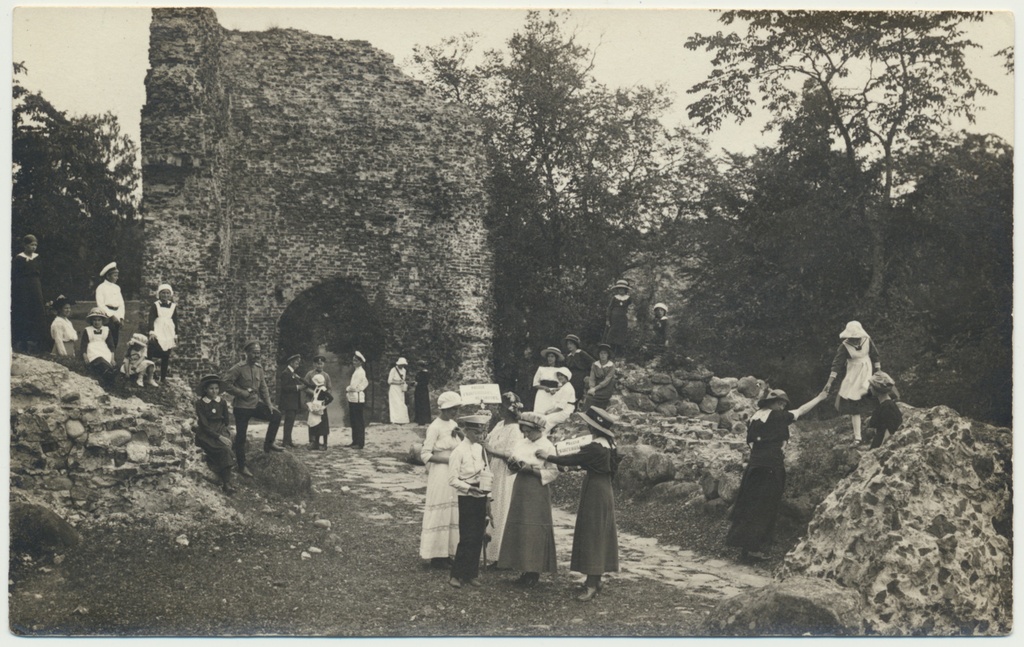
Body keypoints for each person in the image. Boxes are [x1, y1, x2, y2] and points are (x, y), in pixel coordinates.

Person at [726, 388, 828, 561]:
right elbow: (801, 411)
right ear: (774, 403)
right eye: (781, 403)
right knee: (764, 506)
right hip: (770, 468)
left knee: (749, 504)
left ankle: (745, 547)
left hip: (754, 466)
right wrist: (819, 397)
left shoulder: (755, 417)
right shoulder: (778, 417)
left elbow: (751, 443)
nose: (782, 407)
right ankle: (754, 550)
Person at [537, 406, 622, 601]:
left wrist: (548, 456)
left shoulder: (595, 447)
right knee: (600, 532)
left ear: (594, 428)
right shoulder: (610, 443)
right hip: (604, 488)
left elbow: (573, 459)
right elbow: (591, 464)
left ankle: (591, 584)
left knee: (592, 532)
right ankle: (596, 578)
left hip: (595, 489)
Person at [498, 412, 559, 587]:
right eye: (523, 431)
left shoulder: (547, 446)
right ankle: (522, 567)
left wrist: (531, 470)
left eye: (528, 431)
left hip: (536, 488)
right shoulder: (522, 443)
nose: (526, 435)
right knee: (520, 525)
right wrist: (513, 465)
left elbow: (553, 472)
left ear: (538, 429)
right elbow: (513, 461)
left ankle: (534, 571)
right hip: (521, 486)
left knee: (534, 527)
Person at [222, 340, 284, 478]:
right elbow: (225, 384)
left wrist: (269, 404)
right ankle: (242, 466)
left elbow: (263, 387)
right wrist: (242, 393)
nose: (257, 355)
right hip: (242, 407)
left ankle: (269, 444)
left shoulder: (259, 368)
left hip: (255, 404)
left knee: (276, 415)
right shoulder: (238, 368)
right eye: (254, 353)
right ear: (247, 353)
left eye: (258, 353)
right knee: (241, 438)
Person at [448, 413, 494, 589]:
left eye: (481, 432)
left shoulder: (479, 449)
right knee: (467, 536)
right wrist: (468, 488)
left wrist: (488, 498)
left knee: (478, 536)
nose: (479, 436)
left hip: (481, 494)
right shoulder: (458, 452)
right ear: (466, 431)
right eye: (475, 433)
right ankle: (456, 574)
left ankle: (471, 573)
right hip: (467, 496)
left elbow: (487, 473)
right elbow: (452, 479)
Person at [419, 391, 464, 568]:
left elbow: (460, 447)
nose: (455, 413)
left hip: (453, 470)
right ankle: (436, 555)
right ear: (444, 409)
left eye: (457, 409)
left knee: (452, 509)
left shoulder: (454, 424)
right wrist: (449, 460)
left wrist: (460, 436)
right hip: (440, 471)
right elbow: (425, 454)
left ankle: (447, 552)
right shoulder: (434, 427)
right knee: (440, 507)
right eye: (452, 409)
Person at [480, 392, 525, 565]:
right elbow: (488, 440)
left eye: (501, 407)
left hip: (506, 471)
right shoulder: (499, 424)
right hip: (494, 469)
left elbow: (513, 455)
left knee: (503, 505)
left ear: (510, 410)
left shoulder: (515, 429)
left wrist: (492, 450)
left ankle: (503, 554)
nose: (499, 409)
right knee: (493, 505)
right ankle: (492, 551)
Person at [823, 321, 882, 445]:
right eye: (852, 338)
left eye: (857, 337)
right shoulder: (844, 346)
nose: (855, 340)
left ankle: (879, 430)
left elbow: (875, 356)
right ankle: (858, 437)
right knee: (854, 404)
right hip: (853, 374)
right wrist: (829, 382)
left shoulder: (867, 340)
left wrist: (878, 372)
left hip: (867, 371)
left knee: (873, 397)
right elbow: (837, 365)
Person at [194, 374, 235, 495]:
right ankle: (226, 484)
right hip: (206, 433)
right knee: (223, 449)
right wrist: (219, 437)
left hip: (220, 429)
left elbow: (226, 420)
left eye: (216, 388)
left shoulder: (222, 402)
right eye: (211, 388)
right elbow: (204, 425)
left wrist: (224, 433)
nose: (214, 391)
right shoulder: (200, 403)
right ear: (205, 389)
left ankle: (225, 476)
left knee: (229, 445)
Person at [12, 234, 48, 353]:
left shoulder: (37, 258)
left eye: (35, 245)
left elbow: (41, 273)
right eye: (31, 245)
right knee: (25, 312)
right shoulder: (19, 259)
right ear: (25, 245)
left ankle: (38, 343)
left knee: (37, 311)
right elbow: (15, 276)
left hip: (35, 286)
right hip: (24, 288)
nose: (34, 247)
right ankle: (23, 342)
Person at [146, 284, 179, 382]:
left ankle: (163, 378)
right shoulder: (155, 305)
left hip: (169, 331)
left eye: (167, 293)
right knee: (152, 348)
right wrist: (151, 332)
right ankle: (149, 375)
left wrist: (176, 334)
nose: (165, 295)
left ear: (170, 295)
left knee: (166, 355)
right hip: (158, 329)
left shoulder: (173, 306)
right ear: (159, 294)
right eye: (163, 293)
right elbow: (151, 319)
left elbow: (175, 321)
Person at [78, 307, 117, 381]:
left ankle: (109, 373)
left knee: (106, 359)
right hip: (92, 350)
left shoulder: (106, 330)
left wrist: (112, 359)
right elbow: (83, 345)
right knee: (99, 359)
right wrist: (85, 357)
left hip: (103, 349)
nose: (97, 322)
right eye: (94, 320)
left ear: (102, 321)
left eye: (99, 320)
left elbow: (111, 346)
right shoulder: (88, 330)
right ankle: (108, 373)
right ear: (91, 321)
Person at [866, 372, 902, 450]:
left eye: (871, 386)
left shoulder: (887, 408)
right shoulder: (883, 405)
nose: (870, 388)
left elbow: (888, 435)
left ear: (877, 388)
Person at [94, 262, 125, 350]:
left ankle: (112, 357)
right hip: (107, 317)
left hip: (117, 316)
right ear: (108, 276)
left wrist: (121, 317)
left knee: (115, 339)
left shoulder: (117, 288)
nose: (117, 278)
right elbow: (101, 305)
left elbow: (121, 304)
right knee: (107, 338)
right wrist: (112, 316)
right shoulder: (101, 288)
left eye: (117, 275)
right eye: (115, 275)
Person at [304, 354, 333, 447]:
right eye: (317, 364)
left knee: (322, 421)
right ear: (314, 364)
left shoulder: (326, 375)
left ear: (323, 364)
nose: (319, 366)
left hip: (321, 402)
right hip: (311, 400)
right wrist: (313, 393)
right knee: (312, 419)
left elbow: (329, 388)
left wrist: (324, 396)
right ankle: (312, 440)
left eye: (321, 364)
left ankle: (322, 441)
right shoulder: (309, 374)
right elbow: (305, 387)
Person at [278, 353, 306, 448]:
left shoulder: (292, 373)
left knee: (291, 422)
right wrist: (298, 387)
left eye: (298, 362)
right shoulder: (286, 373)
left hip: (293, 402)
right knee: (288, 422)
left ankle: (289, 441)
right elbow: (284, 387)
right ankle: (285, 442)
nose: (298, 364)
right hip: (288, 402)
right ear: (291, 362)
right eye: (296, 362)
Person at [540, 367, 576, 432]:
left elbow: (561, 407)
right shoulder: (564, 386)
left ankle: (542, 436)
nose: (559, 377)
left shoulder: (567, 388)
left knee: (546, 420)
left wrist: (550, 412)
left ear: (566, 376)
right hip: (562, 410)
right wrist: (550, 410)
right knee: (542, 416)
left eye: (561, 375)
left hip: (566, 412)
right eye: (558, 375)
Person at [346, 351, 369, 448]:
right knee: (353, 420)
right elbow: (366, 382)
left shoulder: (360, 372)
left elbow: (353, 386)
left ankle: (360, 443)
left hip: (357, 399)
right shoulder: (357, 371)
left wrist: (347, 388)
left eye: (356, 361)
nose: (353, 362)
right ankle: (355, 441)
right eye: (353, 360)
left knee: (358, 420)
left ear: (360, 362)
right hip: (353, 398)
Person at [584, 343, 618, 410]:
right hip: (596, 384)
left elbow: (607, 380)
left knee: (594, 397)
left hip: (606, 386)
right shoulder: (595, 364)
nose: (603, 355)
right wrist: (591, 387)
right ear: (598, 355)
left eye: (605, 353)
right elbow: (592, 377)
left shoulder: (611, 365)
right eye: (601, 353)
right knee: (589, 397)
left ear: (608, 355)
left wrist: (595, 389)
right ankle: (586, 414)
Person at [563, 334, 595, 406]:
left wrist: (588, 375)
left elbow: (593, 363)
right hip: (571, 378)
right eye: (568, 344)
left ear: (575, 344)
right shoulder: (568, 356)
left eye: (571, 343)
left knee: (578, 396)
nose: (569, 346)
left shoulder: (581, 353)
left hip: (580, 377)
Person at [532, 347, 563, 417]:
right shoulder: (541, 369)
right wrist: (544, 387)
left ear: (556, 358)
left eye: (552, 356)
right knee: (539, 413)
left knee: (551, 414)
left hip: (554, 394)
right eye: (548, 356)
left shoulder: (560, 370)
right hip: (542, 394)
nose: (550, 358)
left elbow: (561, 385)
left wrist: (555, 390)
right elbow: (535, 383)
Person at [603, 279, 632, 357]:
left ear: (625, 289)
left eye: (623, 288)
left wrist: (630, 318)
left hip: (623, 319)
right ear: (617, 289)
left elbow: (631, 308)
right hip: (614, 319)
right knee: (612, 334)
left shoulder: (628, 298)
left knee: (621, 334)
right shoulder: (614, 298)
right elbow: (609, 308)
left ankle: (619, 353)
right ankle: (610, 352)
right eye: (619, 288)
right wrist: (608, 319)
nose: (621, 290)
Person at [306, 373, 334, 451]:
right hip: (316, 409)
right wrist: (299, 378)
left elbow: (331, 398)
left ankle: (325, 444)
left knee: (323, 427)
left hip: (321, 409)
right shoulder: (317, 387)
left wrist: (324, 404)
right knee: (316, 425)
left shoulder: (323, 389)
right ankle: (316, 443)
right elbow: (308, 384)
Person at [388, 357, 411, 424]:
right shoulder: (393, 370)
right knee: (395, 403)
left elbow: (403, 379)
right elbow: (389, 381)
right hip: (394, 388)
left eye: (403, 365)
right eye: (401, 364)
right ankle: (394, 420)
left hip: (400, 389)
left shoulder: (404, 370)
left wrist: (402, 383)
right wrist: (398, 382)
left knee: (401, 403)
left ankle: (402, 419)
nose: (402, 366)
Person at [413, 360, 431, 425]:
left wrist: (418, 383)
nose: (418, 368)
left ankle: (424, 420)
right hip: (418, 390)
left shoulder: (426, 373)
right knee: (418, 404)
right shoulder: (419, 373)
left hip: (423, 390)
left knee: (423, 404)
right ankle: (419, 419)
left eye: (419, 366)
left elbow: (426, 382)